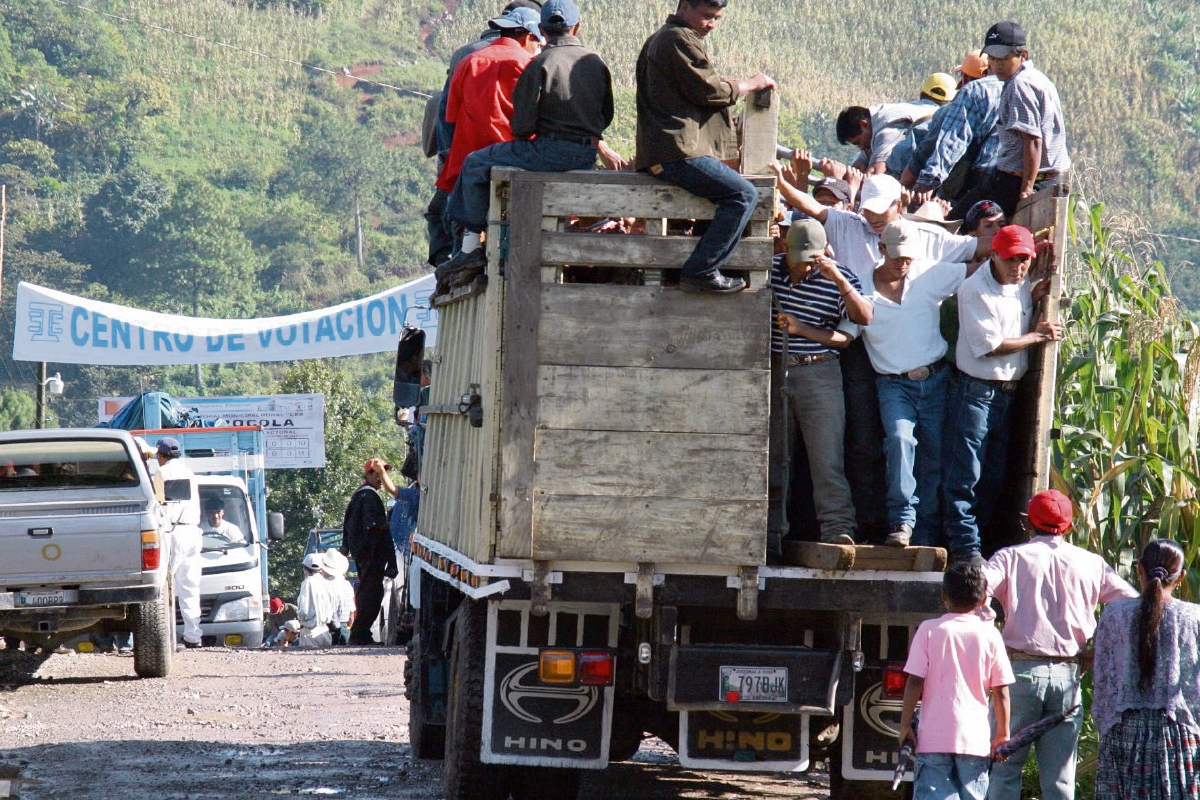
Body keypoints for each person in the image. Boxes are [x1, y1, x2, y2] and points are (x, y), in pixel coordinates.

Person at [438, 0, 626, 290]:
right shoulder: (595, 62)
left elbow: (523, 125)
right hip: (585, 152)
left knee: (475, 163)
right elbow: (607, 113)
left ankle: (470, 248)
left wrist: (528, 139)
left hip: (551, 151)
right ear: (577, 27)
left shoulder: (540, 64)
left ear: (542, 29)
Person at [979, 489, 1138, 800]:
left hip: (1018, 674)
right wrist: (1101, 651)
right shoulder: (1091, 563)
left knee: (1004, 768)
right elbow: (1134, 605)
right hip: (1069, 676)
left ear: (1029, 523)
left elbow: (977, 593)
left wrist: (990, 636)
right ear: (1068, 525)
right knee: (1060, 779)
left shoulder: (1010, 558)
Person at [942, 225, 1062, 565]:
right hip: (975, 393)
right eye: (1012, 260)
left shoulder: (1017, 284)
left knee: (992, 478)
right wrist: (1037, 336)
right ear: (993, 255)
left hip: (1003, 396)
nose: (1019, 267)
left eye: (1025, 260)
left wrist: (1036, 294)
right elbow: (991, 347)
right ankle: (965, 550)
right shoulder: (974, 290)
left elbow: (1019, 302)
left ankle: (977, 545)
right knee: (965, 477)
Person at [635, 0, 774, 294]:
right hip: (677, 150)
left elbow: (702, 86)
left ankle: (704, 268)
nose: (711, 23)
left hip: (670, 150)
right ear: (685, 6)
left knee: (737, 194)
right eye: (707, 16)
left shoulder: (670, 37)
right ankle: (701, 270)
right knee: (743, 195)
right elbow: (709, 89)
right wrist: (751, 83)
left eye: (716, 18)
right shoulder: (677, 38)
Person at [861, 220, 977, 548]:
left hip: (935, 378)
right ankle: (902, 520)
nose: (903, 262)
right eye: (897, 256)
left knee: (933, 455)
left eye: (909, 257)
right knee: (899, 440)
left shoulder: (928, 273)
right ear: (881, 250)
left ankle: (924, 532)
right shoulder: (861, 284)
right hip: (893, 384)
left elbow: (978, 269)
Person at [769, 218, 872, 553]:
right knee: (773, 458)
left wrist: (839, 280)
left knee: (827, 459)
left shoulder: (837, 278)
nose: (803, 267)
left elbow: (863, 318)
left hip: (820, 372)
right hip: (773, 368)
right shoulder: (767, 269)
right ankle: (770, 534)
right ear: (785, 248)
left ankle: (837, 531)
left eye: (810, 261)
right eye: (797, 260)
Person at [424, 0, 544, 267]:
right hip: (516, 157)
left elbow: (450, 116)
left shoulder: (468, 61)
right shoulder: (531, 65)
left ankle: (461, 260)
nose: (539, 45)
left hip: (469, 160)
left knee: (449, 218)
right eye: (537, 39)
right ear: (527, 35)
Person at [1093, 539, 1200, 800]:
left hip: (1122, 733)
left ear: (1138, 568)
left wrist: (1106, 727)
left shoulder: (1114, 615)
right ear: (1182, 576)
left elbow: (1103, 679)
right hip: (1178, 735)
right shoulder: (1194, 616)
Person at [898, 562, 1013, 800]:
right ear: (982, 601)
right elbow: (1000, 690)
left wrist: (904, 725)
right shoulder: (991, 635)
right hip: (975, 741)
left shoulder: (929, 630)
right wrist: (1002, 733)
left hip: (932, 740)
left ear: (943, 596)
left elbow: (914, 682)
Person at [977, 21, 1070, 216]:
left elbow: (1033, 140)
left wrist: (1027, 189)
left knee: (964, 220)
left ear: (1023, 55)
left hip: (1018, 181)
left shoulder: (1019, 85)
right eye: (992, 58)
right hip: (1049, 179)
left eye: (1004, 57)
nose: (998, 65)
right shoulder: (1037, 78)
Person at [907, 54, 1004, 213]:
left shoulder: (969, 95)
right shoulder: (1016, 88)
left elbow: (951, 143)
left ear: (965, 78)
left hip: (970, 184)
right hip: (1004, 180)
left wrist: (924, 184)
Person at [341, 458, 399, 645]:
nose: (381, 478)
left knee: (371, 592)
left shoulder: (360, 495)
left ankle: (361, 634)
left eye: (383, 473)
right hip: (372, 555)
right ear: (368, 474)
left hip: (367, 555)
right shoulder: (368, 496)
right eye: (377, 473)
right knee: (372, 594)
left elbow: (349, 525)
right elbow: (373, 526)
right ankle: (360, 634)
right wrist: (385, 524)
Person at [155, 437, 203, 649]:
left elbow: (159, 506)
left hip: (173, 531)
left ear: (160, 454)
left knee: (163, 585)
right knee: (190, 586)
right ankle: (193, 636)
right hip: (193, 531)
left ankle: (166, 637)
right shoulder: (189, 472)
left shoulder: (162, 473)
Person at [295, 552, 334, 648]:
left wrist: (299, 617)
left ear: (305, 569)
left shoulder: (307, 583)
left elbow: (304, 610)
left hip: (310, 631)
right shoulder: (326, 583)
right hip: (325, 631)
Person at [322, 549, 356, 646]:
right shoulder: (347, 585)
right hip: (344, 626)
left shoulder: (324, 585)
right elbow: (352, 612)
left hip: (328, 627)